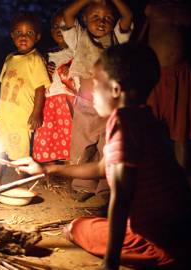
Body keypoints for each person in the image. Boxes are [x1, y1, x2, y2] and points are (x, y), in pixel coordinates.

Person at [12, 44, 191, 269]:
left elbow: (122, 199)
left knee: (77, 228)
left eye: (96, 84)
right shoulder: (145, 118)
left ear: (116, 90)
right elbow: (101, 168)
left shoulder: (123, 125)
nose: (91, 91)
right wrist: (47, 168)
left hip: (158, 242)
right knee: (86, 226)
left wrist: (111, 261)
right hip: (182, 226)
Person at [62, 0, 133, 202]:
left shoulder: (117, 38)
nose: (101, 22)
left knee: (107, 146)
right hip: (85, 106)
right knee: (81, 147)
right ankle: (82, 184)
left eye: (107, 18)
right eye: (95, 17)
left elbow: (127, 17)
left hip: (110, 107)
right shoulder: (78, 37)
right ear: (85, 19)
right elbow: (68, 14)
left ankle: (106, 186)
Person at [0, 12, 51, 186]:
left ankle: (20, 182)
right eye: (19, 33)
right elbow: (3, 84)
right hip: (4, 115)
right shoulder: (9, 59)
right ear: (12, 35)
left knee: (20, 152)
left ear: (37, 37)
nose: (23, 37)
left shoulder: (35, 59)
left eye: (29, 33)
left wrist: (36, 112)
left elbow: (40, 88)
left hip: (21, 118)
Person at [141, 0, 191, 169]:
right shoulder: (152, 7)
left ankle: (180, 182)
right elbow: (139, 38)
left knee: (181, 132)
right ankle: (149, 175)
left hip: (181, 74)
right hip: (155, 74)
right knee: (148, 127)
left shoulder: (190, 8)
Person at [32, 8, 76, 163]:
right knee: (47, 135)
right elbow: (39, 81)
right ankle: (48, 171)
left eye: (64, 27)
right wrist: (45, 72)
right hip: (49, 102)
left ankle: (69, 170)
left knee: (69, 135)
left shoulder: (76, 52)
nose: (59, 30)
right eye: (55, 27)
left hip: (68, 102)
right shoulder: (47, 55)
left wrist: (70, 71)